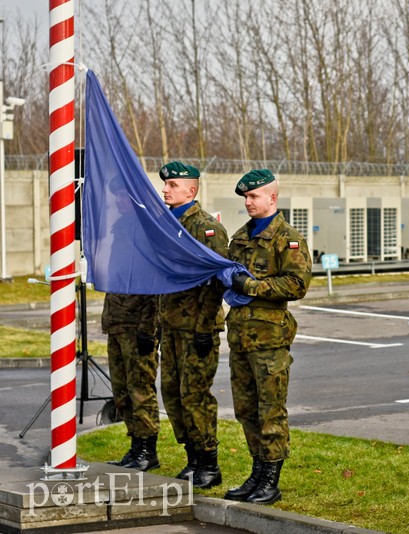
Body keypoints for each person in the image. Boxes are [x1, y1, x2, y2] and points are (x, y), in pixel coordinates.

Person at [223, 169, 312, 504]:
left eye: (253, 196)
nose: (248, 202)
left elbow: (297, 284)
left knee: (270, 411)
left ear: (272, 198)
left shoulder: (286, 238)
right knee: (246, 410)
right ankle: (257, 473)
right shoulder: (241, 237)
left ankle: (271, 480)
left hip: (270, 339)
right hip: (240, 337)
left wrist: (251, 286)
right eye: (245, 197)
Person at [157, 161, 228, 488]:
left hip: (197, 328)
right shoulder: (164, 224)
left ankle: (209, 463)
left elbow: (215, 281)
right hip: (171, 324)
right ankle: (192, 457)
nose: (165, 189)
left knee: (194, 395)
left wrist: (204, 327)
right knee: (171, 392)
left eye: (172, 185)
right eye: (166, 184)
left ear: (191, 190)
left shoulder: (204, 227)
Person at [102, 293, 160, 471]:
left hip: (136, 328)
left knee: (140, 390)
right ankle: (136, 446)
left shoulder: (144, 263)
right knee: (121, 392)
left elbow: (153, 293)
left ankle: (148, 450)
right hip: (115, 325)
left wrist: (148, 329)